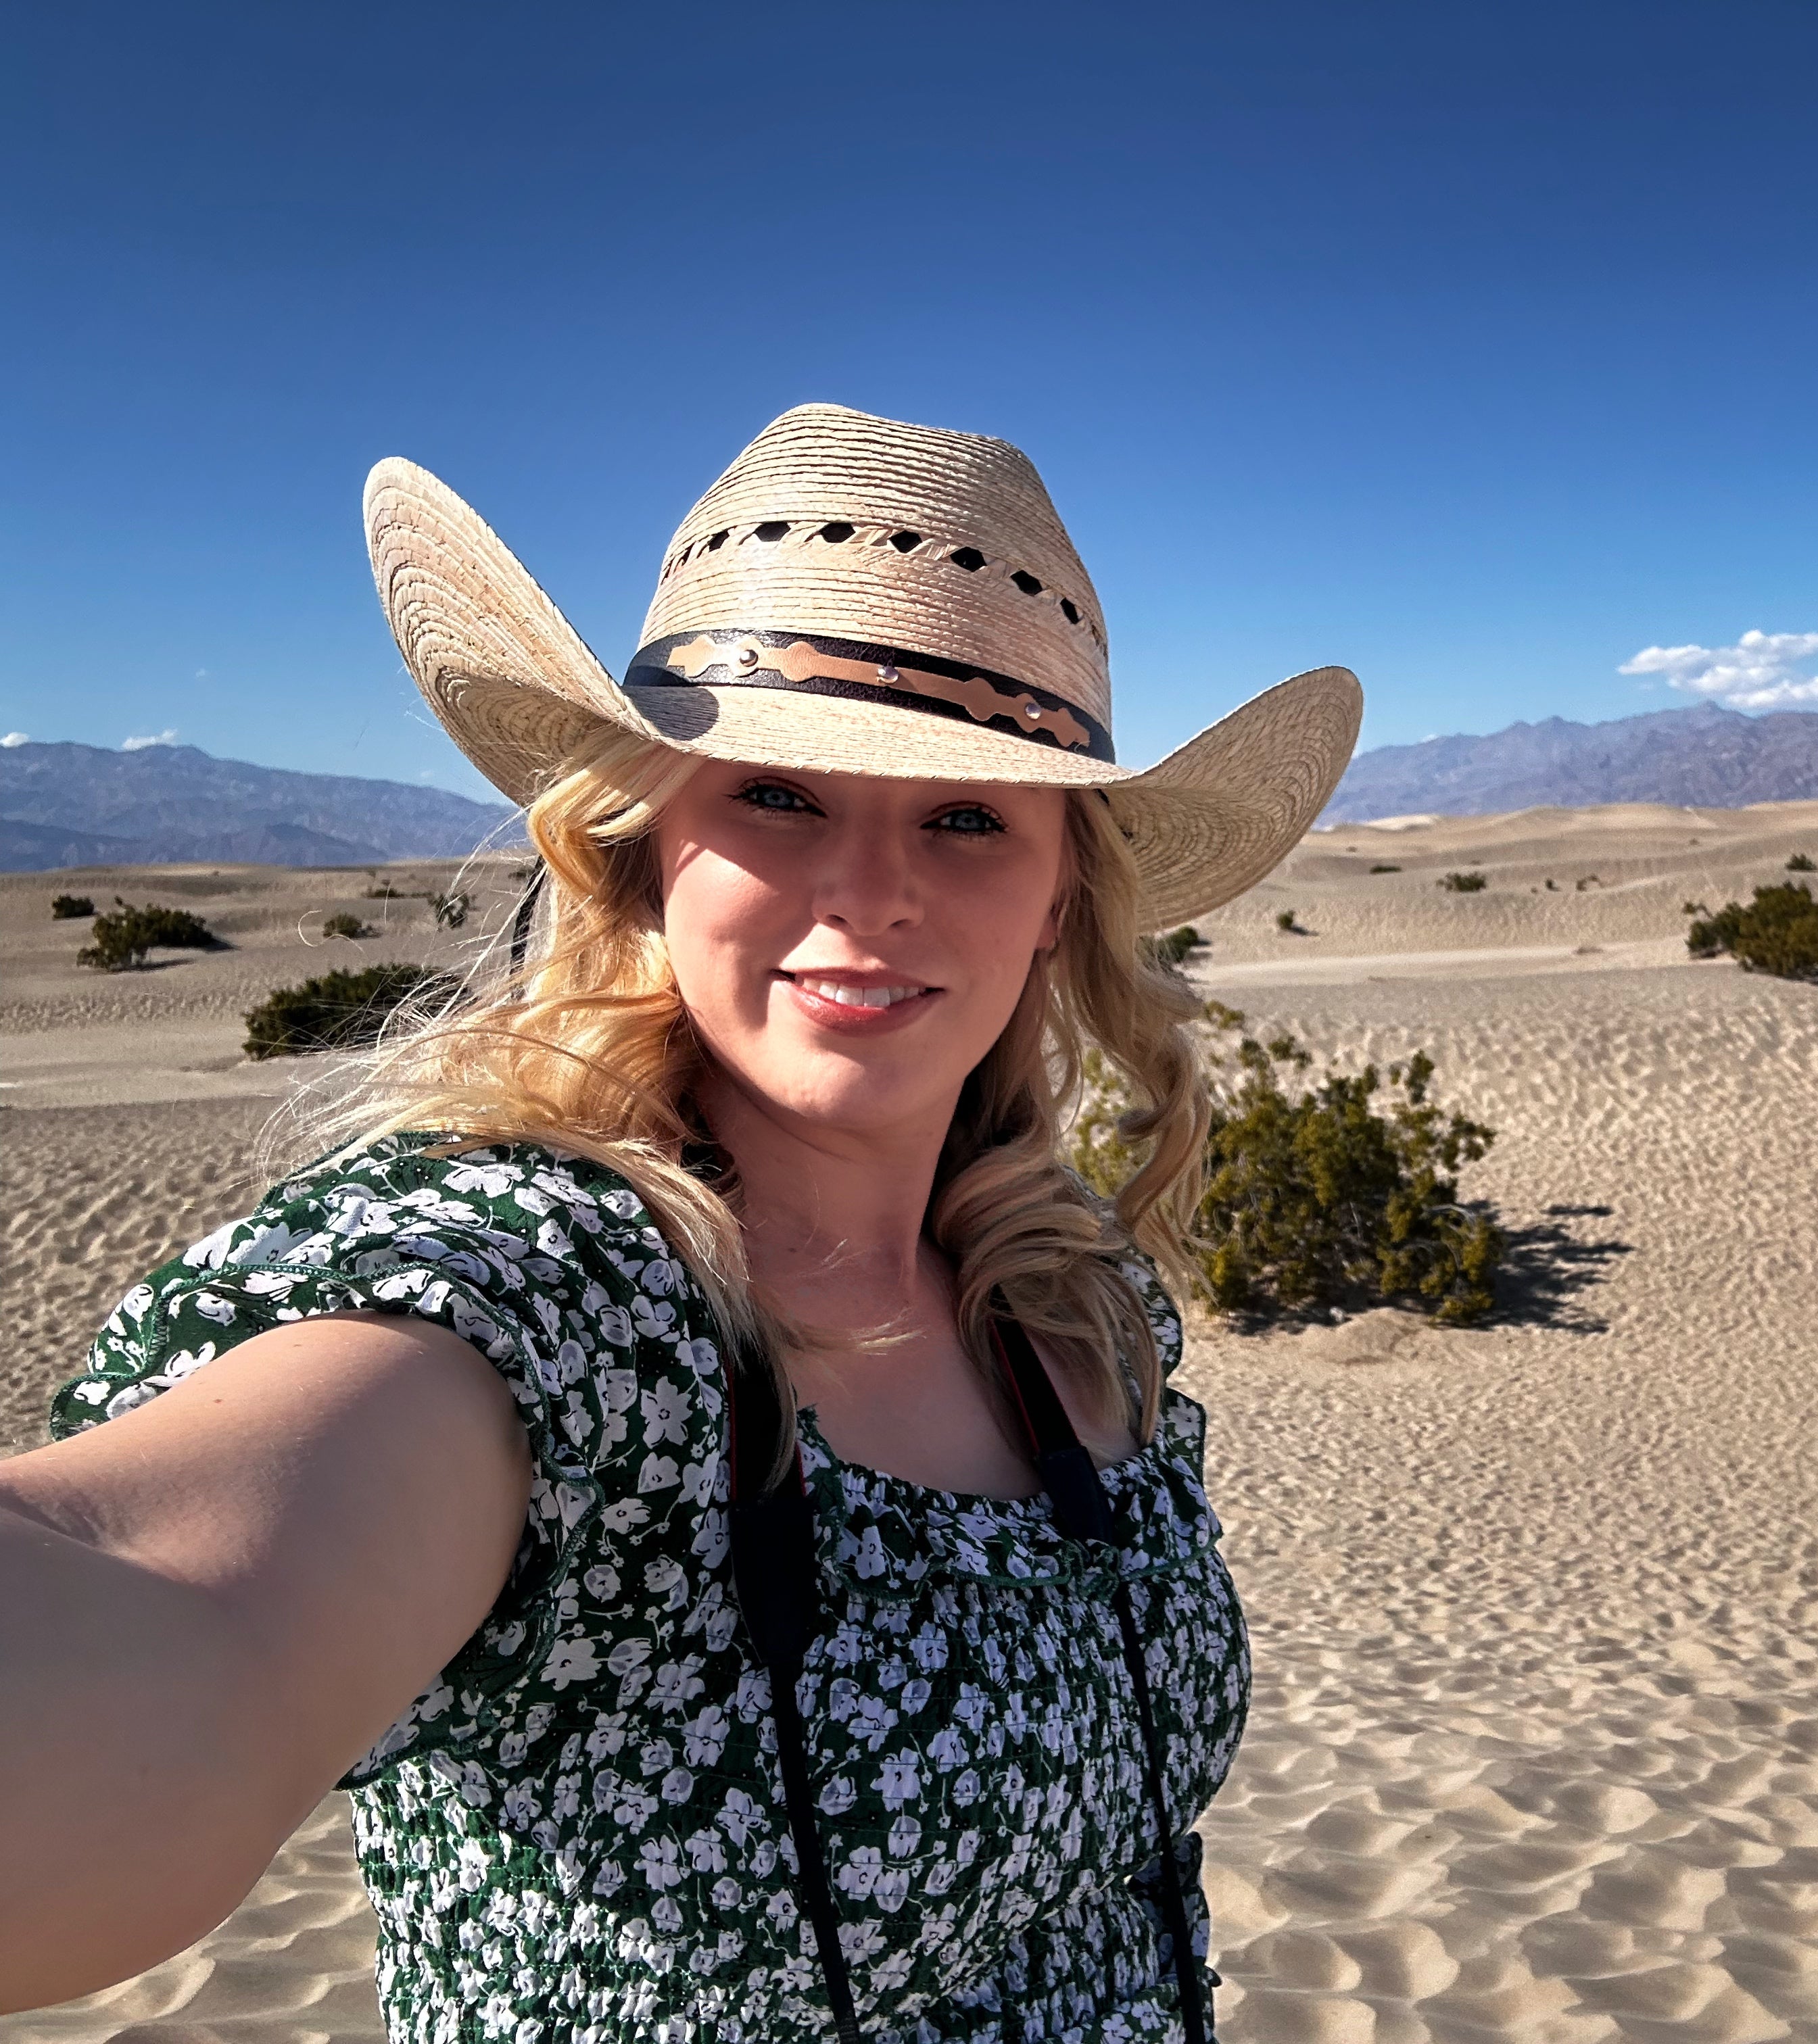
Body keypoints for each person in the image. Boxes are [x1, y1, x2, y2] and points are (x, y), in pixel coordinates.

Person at [0, 404, 1362, 2042]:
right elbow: (157, 1601)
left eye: (969, 815)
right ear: (650, 846)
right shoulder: (548, 1309)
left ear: (1062, 888)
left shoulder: (1070, 1290)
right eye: (779, 794)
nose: (873, 892)